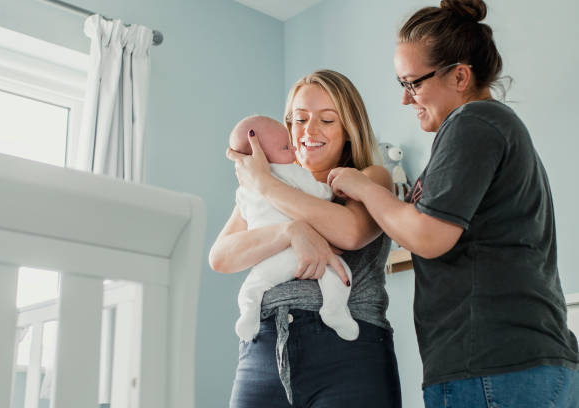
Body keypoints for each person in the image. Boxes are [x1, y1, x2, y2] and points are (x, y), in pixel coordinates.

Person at [326, 1, 579, 407]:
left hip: (491, 366)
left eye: (413, 84)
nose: (407, 100)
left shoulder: (472, 122)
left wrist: (364, 186)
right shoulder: (497, 128)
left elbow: (428, 235)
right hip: (524, 362)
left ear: (460, 76)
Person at [210, 69, 402, 407]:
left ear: (348, 130)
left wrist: (266, 185)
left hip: (349, 351)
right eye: (299, 119)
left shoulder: (369, 177)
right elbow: (221, 257)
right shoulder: (260, 191)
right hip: (265, 347)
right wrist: (289, 231)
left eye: (327, 120)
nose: (308, 131)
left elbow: (350, 232)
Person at [229, 115, 358, 342]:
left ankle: (248, 315)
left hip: (269, 261)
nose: (293, 149)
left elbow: (351, 234)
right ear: (261, 155)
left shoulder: (244, 191)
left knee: (252, 287)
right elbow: (323, 194)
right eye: (285, 146)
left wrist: (261, 182)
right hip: (300, 256)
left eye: (327, 119)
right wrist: (330, 191)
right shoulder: (292, 172)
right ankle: (334, 310)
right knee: (339, 274)